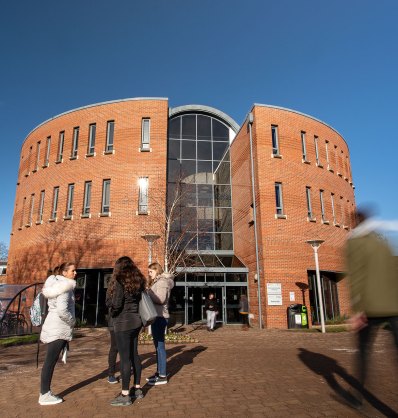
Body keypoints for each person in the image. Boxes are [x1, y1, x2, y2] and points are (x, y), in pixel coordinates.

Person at [345, 209, 398, 407]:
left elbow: (356, 277)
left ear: (356, 222)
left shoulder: (355, 241)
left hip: (371, 308)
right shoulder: (382, 242)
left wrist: (357, 310)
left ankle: (356, 397)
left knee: (363, 352)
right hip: (394, 305)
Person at [106, 256, 145, 406]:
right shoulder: (139, 280)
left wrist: (113, 313)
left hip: (123, 323)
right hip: (136, 321)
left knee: (124, 359)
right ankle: (137, 388)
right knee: (134, 354)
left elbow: (116, 304)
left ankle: (125, 394)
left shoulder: (119, 280)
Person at [38, 262, 76, 405]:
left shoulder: (55, 286)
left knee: (49, 361)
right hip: (59, 327)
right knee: (50, 361)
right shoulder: (64, 288)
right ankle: (44, 394)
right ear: (64, 273)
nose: (75, 272)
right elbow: (62, 310)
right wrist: (72, 321)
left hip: (53, 325)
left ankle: (45, 392)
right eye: (73, 270)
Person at [147, 262, 174, 385]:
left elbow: (161, 299)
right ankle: (159, 372)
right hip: (157, 316)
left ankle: (162, 375)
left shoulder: (162, 282)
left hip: (160, 317)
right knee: (158, 346)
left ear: (156, 270)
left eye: (150, 272)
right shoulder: (159, 282)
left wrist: (148, 293)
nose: (149, 274)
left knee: (160, 346)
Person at [105, 289, 119, 384]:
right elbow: (108, 302)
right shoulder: (112, 287)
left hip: (126, 322)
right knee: (114, 347)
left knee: (125, 349)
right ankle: (111, 374)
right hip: (114, 321)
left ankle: (125, 372)